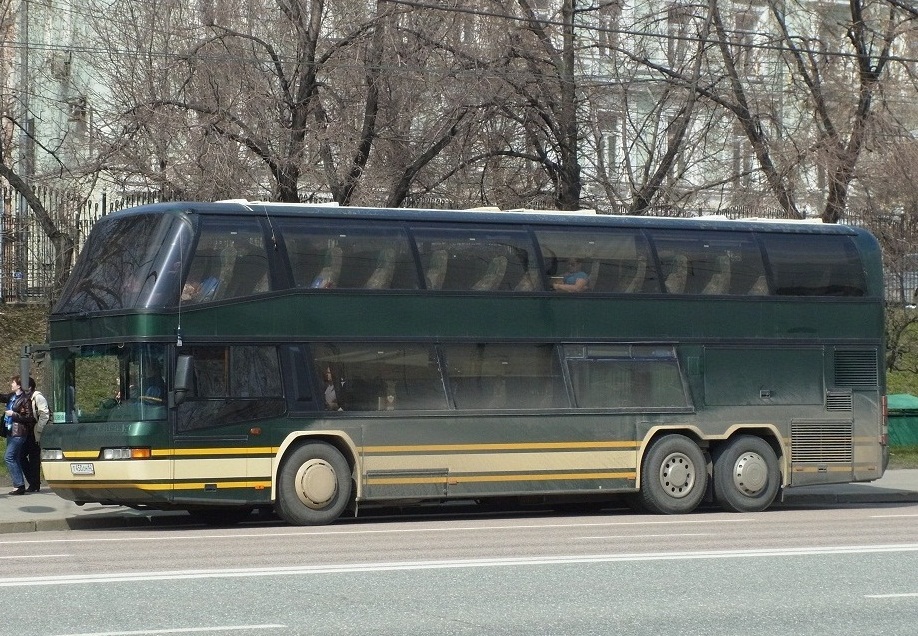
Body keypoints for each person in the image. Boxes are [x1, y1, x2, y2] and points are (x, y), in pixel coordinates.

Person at [3, 375, 36, 496]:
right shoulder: (12, 397)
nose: (11, 384)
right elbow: (2, 397)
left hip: (19, 433)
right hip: (10, 431)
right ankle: (19, 485)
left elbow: (29, 417)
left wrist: (14, 414)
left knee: (8, 457)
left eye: (13, 383)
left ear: (19, 385)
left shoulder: (25, 399)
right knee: (15, 458)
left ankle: (19, 485)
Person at [21, 377, 50, 492]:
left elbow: (45, 414)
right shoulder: (25, 397)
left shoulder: (38, 397)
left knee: (34, 458)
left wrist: (39, 428)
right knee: (21, 456)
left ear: (29, 387)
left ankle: (34, 484)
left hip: (35, 431)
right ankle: (33, 482)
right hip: (27, 431)